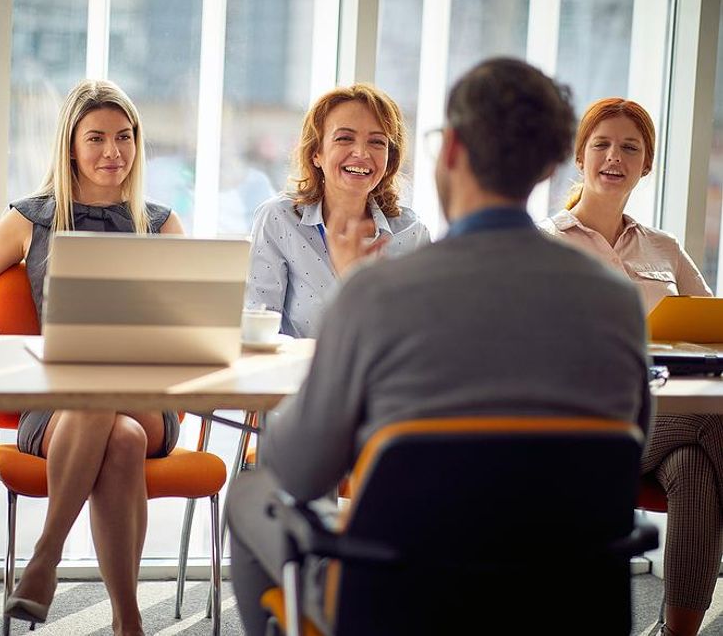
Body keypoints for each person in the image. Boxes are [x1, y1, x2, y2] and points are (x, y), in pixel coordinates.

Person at [227, 59, 652, 635]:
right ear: (554, 163)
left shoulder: (373, 290)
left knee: (252, 491)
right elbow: (625, 454)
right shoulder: (618, 301)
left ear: (449, 151)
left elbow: (299, 470)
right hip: (564, 605)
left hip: (402, 601)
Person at [0, 79, 182, 635]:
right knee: (119, 438)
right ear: (71, 145)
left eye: (125, 137)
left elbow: (186, 320)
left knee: (114, 404)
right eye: (97, 138)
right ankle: (129, 622)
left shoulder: (160, 223)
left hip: (147, 398)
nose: (113, 152)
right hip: (57, 406)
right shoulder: (30, 220)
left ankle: (44, 560)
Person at [541, 97, 717, 636]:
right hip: (591, 425)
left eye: (630, 147)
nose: (614, 157)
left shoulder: (665, 249)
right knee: (714, 425)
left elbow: (711, 331)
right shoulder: (546, 244)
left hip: (672, 421)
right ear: (580, 157)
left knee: (693, 467)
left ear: (647, 165)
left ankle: (676, 633)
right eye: (601, 144)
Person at [244, 83, 430, 338]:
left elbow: (417, 337)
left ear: (389, 160)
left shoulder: (413, 233)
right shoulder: (279, 219)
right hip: (299, 374)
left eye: (377, 142)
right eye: (344, 138)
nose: (362, 153)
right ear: (316, 153)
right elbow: (257, 330)